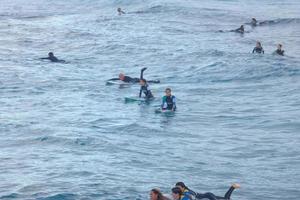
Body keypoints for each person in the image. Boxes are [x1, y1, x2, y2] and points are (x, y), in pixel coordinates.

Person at [175, 182, 240, 200]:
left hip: (208, 196)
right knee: (226, 198)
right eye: (176, 188)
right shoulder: (184, 191)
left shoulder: (187, 192)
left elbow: (189, 196)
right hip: (208, 195)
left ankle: (232, 187)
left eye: (179, 188)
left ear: (183, 188)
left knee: (226, 199)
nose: (177, 189)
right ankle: (233, 187)